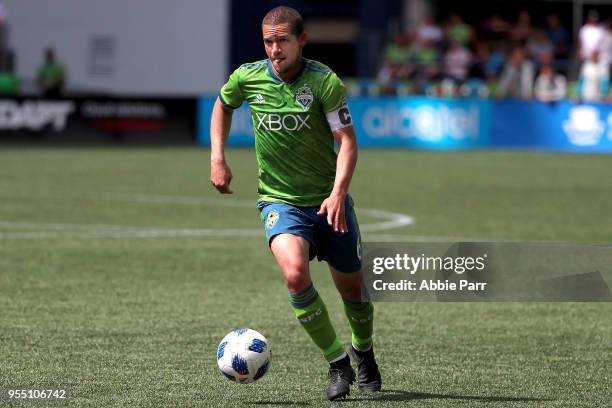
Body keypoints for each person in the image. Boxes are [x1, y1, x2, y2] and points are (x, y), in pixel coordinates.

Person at [209, 6, 381, 401]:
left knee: (352, 291)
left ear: (301, 40)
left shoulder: (324, 82)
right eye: (268, 41)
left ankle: (364, 352)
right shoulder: (247, 77)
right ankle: (338, 363)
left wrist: (337, 193)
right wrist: (218, 156)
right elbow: (223, 104)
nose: (274, 49)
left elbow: (348, 143)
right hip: (280, 201)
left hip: (327, 202)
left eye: (282, 41)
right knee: (294, 273)